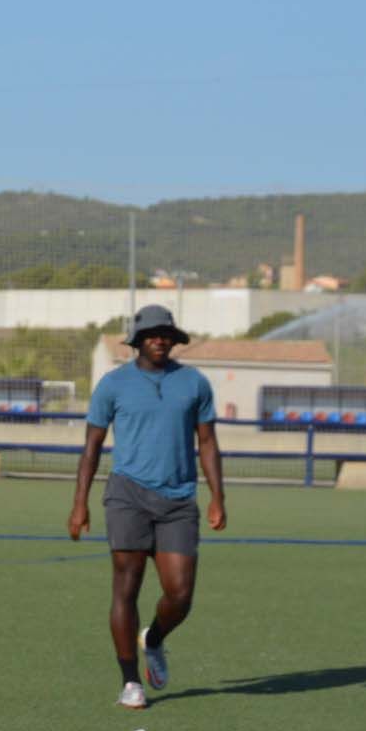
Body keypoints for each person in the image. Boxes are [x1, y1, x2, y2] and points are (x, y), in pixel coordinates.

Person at [68, 304, 227, 709]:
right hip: (128, 495)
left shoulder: (194, 383)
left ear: (174, 339)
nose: (160, 340)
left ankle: (153, 639)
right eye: (152, 334)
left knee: (181, 593)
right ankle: (130, 682)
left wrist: (217, 498)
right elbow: (92, 446)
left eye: (166, 334)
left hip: (178, 499)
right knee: (126, 586)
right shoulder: (113, 384)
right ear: (137, 339)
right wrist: (79, 504)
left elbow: (207, 443)